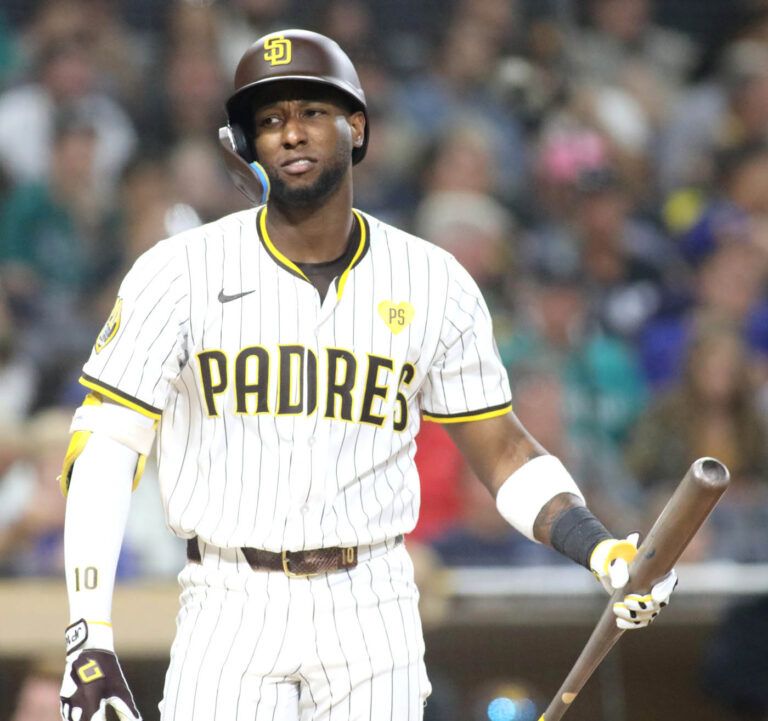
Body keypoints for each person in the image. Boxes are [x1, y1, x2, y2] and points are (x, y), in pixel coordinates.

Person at [58, 29, 677, 721]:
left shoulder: (433, 278)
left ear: (356, 125)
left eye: (311, 112)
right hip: (228, 594)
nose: (290, 133)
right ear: (247, 147)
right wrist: (89, 631)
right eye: (269, 120)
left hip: (370, 596)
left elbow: (503, 451)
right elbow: (106, 449)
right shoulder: (178, 271)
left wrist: (600, 547)